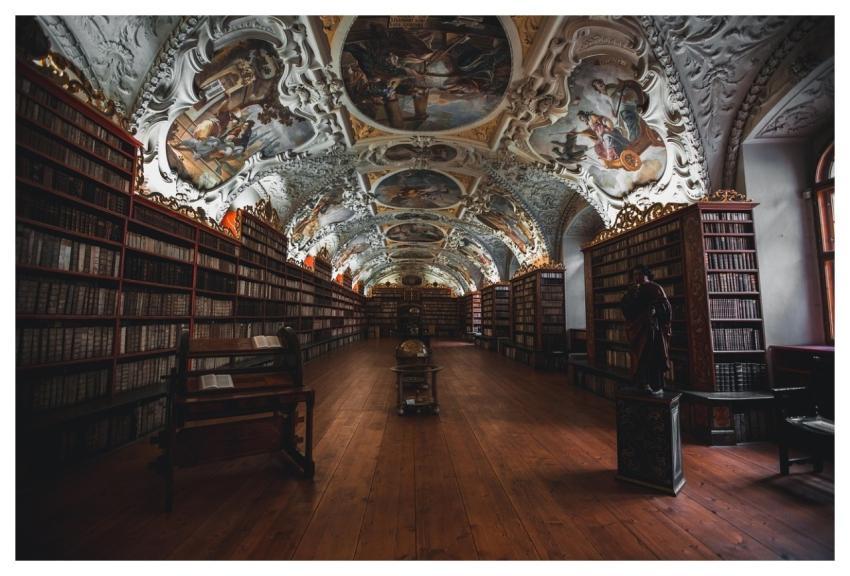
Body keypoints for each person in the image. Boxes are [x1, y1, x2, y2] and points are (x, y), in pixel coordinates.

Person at [619, 265, 672, 394]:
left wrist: (655, 311)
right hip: (638, 329)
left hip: (652, 329)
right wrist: (630, 295)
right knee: (639, 357)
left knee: (652, 356)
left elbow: (666, 308)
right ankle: (642, 383)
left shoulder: (655, 288)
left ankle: (655, 385)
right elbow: (626, 309)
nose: (637, 277)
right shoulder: (633, 290)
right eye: (635, 274)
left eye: (639, 274)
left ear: (647, 274)